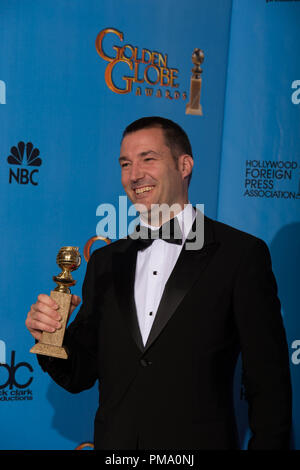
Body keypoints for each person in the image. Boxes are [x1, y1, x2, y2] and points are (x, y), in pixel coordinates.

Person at [25, 116, 292, 450]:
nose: (134, 174)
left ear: (184, 165)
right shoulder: (106, 263)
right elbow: (81, 373)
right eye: (125, 163)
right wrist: (52, 335)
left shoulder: (239, 255)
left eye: (148, 159)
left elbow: (268, 383)